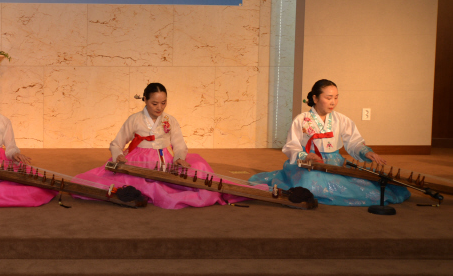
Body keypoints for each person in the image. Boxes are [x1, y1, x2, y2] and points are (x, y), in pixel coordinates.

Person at [75, 83, 243, 209]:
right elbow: (116, 143)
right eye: (154, 103)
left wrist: (179, 158)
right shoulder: (135, 119)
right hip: (139, 159)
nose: (159, 107)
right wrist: (118, 154)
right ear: (145, 100)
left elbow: (179, 144)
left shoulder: (170, 120)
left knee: (199, 168)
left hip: (165, 158)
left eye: (163, 103)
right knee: (131, 180)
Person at [249, 79, 410, 206]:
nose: (333, 102)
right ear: (315, 98)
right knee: (310, 183)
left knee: (362, 185)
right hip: (309, 163)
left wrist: (366, 152)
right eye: (328, 98)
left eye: (336, 97)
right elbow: (292, 145)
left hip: (334, 162)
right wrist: (306, 156)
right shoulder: (302, 119)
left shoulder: (341, 119)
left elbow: (354, 141)